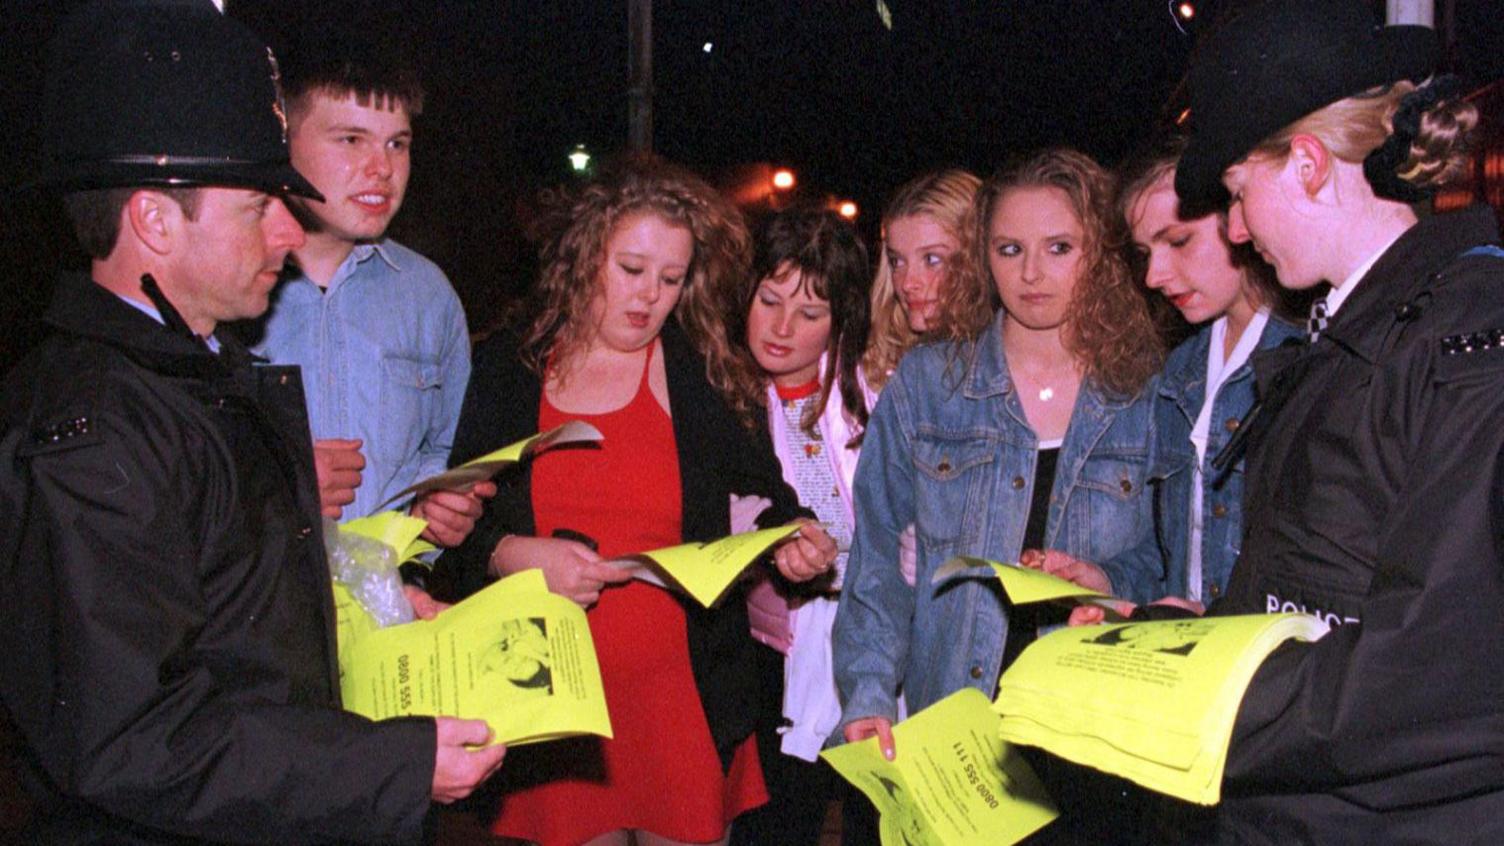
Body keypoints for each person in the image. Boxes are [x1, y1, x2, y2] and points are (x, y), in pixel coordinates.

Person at [0, 4, 504, 843]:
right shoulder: (90, 430)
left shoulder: (203, 377)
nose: (286, 228)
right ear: (155, 220)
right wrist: (393, 767)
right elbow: (130, 735)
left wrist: (378, 609)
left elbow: (234, 624)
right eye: (256, 207)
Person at [1163, 0, 1504, 839]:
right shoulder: (1359, 326)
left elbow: (1436, 668)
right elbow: (1322, 588)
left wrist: (1185, 704)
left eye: (1240, 194)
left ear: (1309, 164)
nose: (1236, 230)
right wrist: (1173, 645)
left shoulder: (1468, 334)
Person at [438, 154, 837, 846]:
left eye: (671, 278)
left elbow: (766, 499)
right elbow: (451, 532)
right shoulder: (510, 366)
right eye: (631, 269)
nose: (650, 295)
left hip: (680, 701)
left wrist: (796, 541)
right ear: (584, 254)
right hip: (556, 706)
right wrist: (509, 553)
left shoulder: (700, 370)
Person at [832, 148, 1164, 842]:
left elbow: (1171, 569)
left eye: (1059, 247)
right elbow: (876, 565)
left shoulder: (1147, 390)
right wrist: (867, 696)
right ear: (983, 256)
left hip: (1097, 740)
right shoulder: (928, 385)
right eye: (1010, 249)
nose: (1032, 273)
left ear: (1101, 254)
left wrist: (1106, 581)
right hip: (957, 732)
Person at [235, 33, 490, 551]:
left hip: (394, 605)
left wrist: (443, 515)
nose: (382, 169)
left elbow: (449, 454)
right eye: (351, 140)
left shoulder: (428, 296)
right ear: (282, 141)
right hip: (255, 612)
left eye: (396, 143)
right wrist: (278, 485)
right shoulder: (224, 291)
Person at [1029, 137, 1303, 609]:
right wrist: (1105, 581)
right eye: (1145, 252)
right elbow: (1176, 554)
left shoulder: (1305, 355)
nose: (1154, 275)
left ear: (1240, 215)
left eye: (1178, 241)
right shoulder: (1181, 370)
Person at [722, 207, 872, 846]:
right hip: (767, 662)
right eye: (769, 300)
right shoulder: (721, 399)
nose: (782, 328)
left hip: (861, 649)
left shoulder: (869, 398)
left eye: (809, 314)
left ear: (842, 322)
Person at [862, 169, 986, 393]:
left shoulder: (1011, 366)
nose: (908, 283)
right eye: (897, 261)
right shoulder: (876, 367)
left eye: (931, 259)